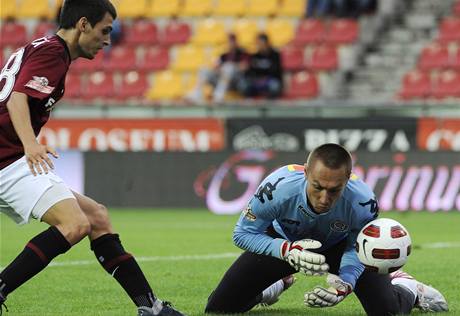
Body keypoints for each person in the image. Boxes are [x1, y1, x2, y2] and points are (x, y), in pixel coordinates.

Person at [0, 1, 184, 315]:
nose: (108, 40)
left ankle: (149, 307)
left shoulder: (45, 48)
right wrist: (31, 145)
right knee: (74, 224)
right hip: (7, 159)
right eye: (105, 30)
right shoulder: (53, 53)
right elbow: (18, 98)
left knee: (96, 216)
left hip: (9, 156)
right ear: (83, 24)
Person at [205, 143, 448, 315]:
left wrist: (346, 284)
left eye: (334, 190)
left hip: (339, 249)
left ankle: (409, 289)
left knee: (386, 311)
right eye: (318, 186)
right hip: (284, 243)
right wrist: (286, 249)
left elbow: (357, 247)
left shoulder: (363, 200)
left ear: (348, 178)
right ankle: (275, 285)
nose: (324, 198)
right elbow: (243, 233)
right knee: (219, 307)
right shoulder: (276, 188)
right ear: (306, 171)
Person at [185, 33, 249, 104]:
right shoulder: (224, 55)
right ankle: (196, 93)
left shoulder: (242, 53)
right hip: (221, 79)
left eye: (232, 41)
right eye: (229, 41)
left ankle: (219, 95)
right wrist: (219, 68)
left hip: (235, 81)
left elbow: (244, 67)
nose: (230, 44)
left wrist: (231, 66)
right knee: (204, 69)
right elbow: (216, 67)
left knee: (228, 67)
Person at [237, 33, 283, 99]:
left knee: (275, 86)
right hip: (256, 81)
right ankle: (249, 101)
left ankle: (270, 101)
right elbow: (251, 71)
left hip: (269, 81)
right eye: (258, 44)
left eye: (262, 43)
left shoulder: (275, 55)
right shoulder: (254, 56)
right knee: (243, 85)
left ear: (267, 43)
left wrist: (265, 77)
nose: (260, 46)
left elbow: (276, 71)